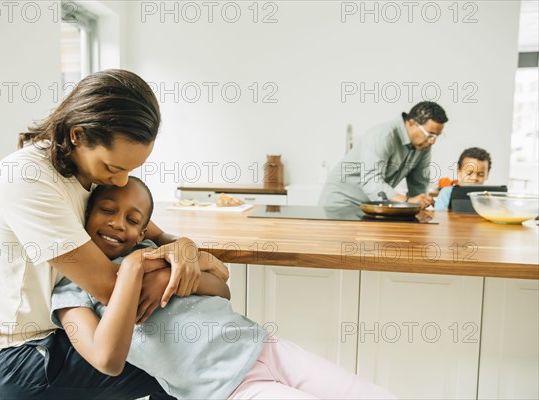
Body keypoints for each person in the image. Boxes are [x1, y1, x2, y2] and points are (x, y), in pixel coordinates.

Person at [0, 69, 229, 399]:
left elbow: (160, 237)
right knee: (189, 357)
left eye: (130, 170)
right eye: (113, 168)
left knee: (191, 338)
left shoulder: (90, 175)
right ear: (78, 135)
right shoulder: (28, 178)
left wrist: (186, 249)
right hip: (19, 357)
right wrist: (172, 276)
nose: (119, 182)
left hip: (61, 334)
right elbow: (112, 288)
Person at [51, 176, 396, 400]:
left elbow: (221, 290)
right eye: (107, 210)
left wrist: (168, 280)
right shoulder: (73, 289)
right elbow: (107, 360)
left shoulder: (151, 253)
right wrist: (134, 268)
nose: (116, 223)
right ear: (85, 217)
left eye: (132, 220)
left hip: (268, 348)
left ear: (143, 232)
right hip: (227, 388)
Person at [319, 101, 448, 209]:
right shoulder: (381, 136)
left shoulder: (424, 145)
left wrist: (421, 205)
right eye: (430, 134)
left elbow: (419, 185)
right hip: (341, 203)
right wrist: (407, 201)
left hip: (371, 205)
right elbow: (372, 182)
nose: (433, 141)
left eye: (437, 136)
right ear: (411, 123)